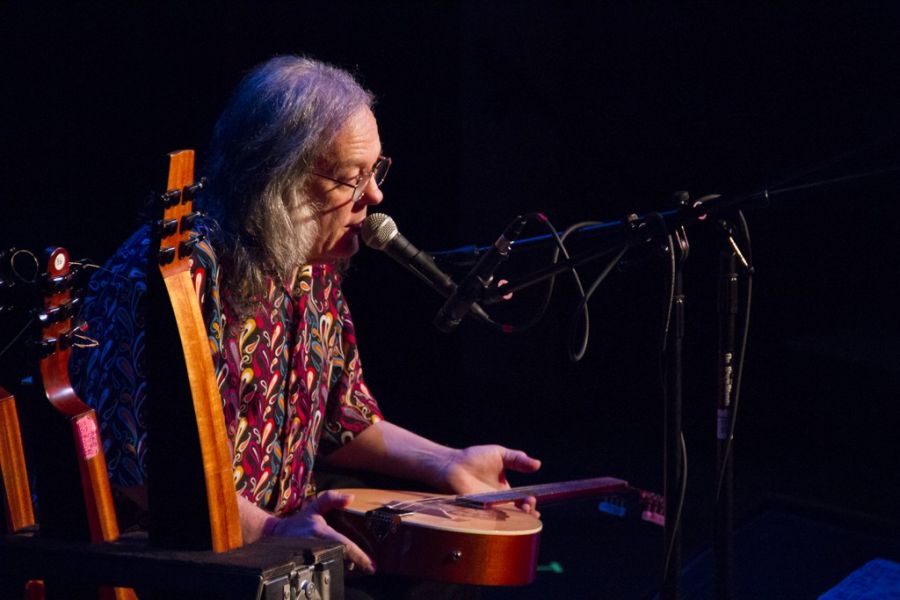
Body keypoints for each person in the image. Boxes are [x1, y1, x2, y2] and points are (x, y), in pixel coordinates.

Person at [70, 55, 540, 580]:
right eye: (350, 178)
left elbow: (344, 418)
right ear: (277, 180)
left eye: (376, 171)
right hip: (171, 563)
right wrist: (272, 532)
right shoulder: (166, 277)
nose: (376, 198)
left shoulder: (309, 265)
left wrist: (446, 462)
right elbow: (142, 470)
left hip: (277, 552)